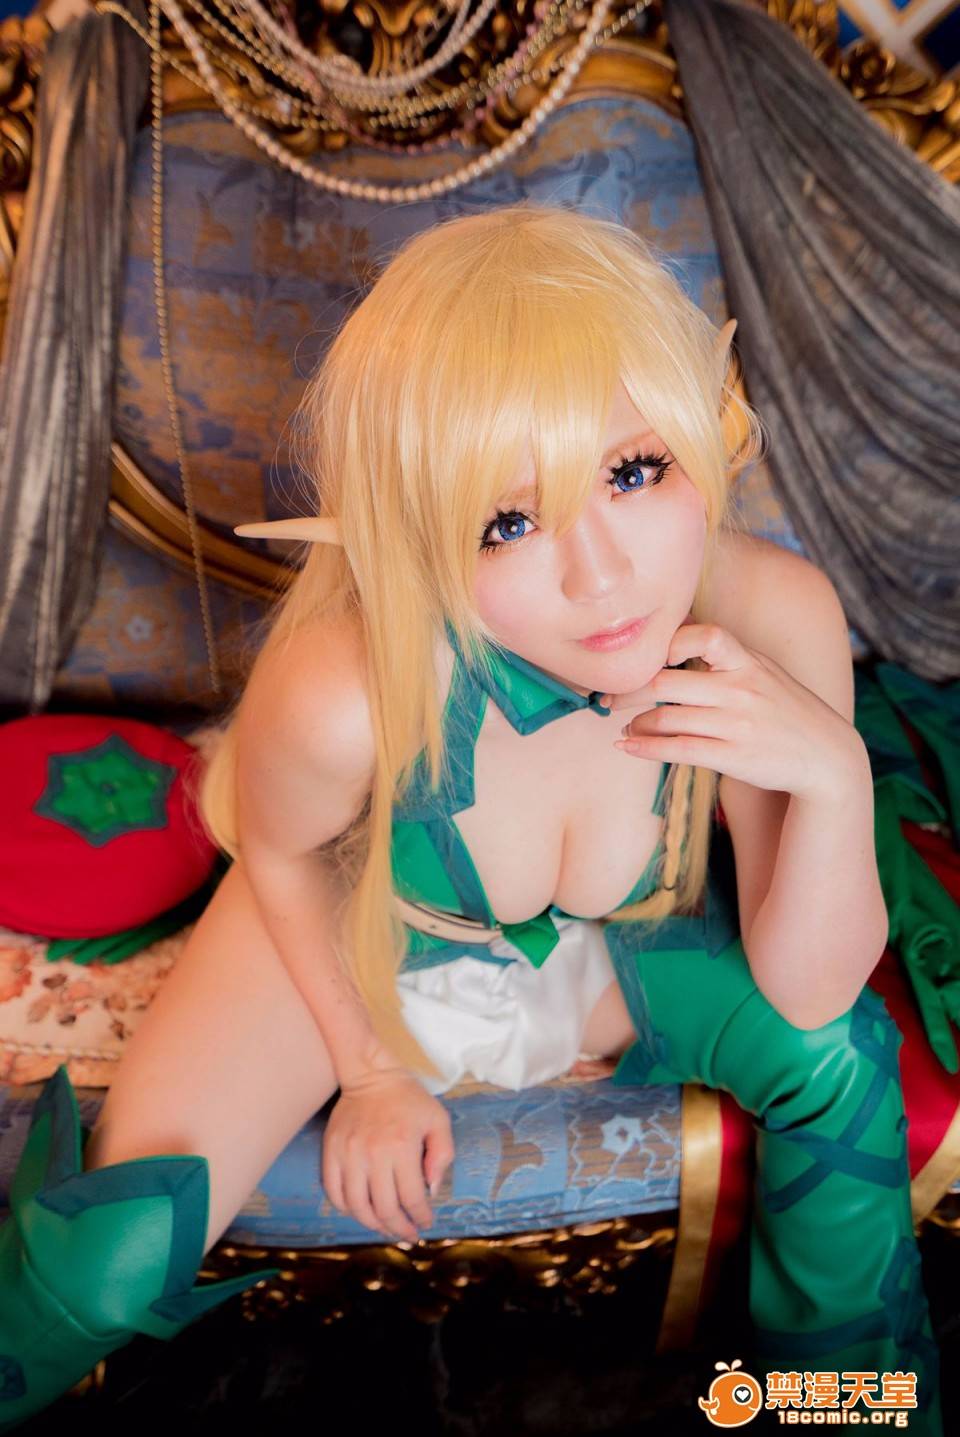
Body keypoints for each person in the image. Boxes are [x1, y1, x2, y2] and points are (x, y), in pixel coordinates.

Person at [0, 203, 942, 1433]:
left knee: (844, 1066)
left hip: (625, 951)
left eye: (633, 471)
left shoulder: (772, 613)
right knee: (110, 1253)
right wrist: (370, 1070)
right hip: (370, 934)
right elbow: (280, 852)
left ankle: (850, 1415)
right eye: (509, 521)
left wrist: (831, 774)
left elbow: (809, 990)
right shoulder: (344, 689)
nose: (602, 575)